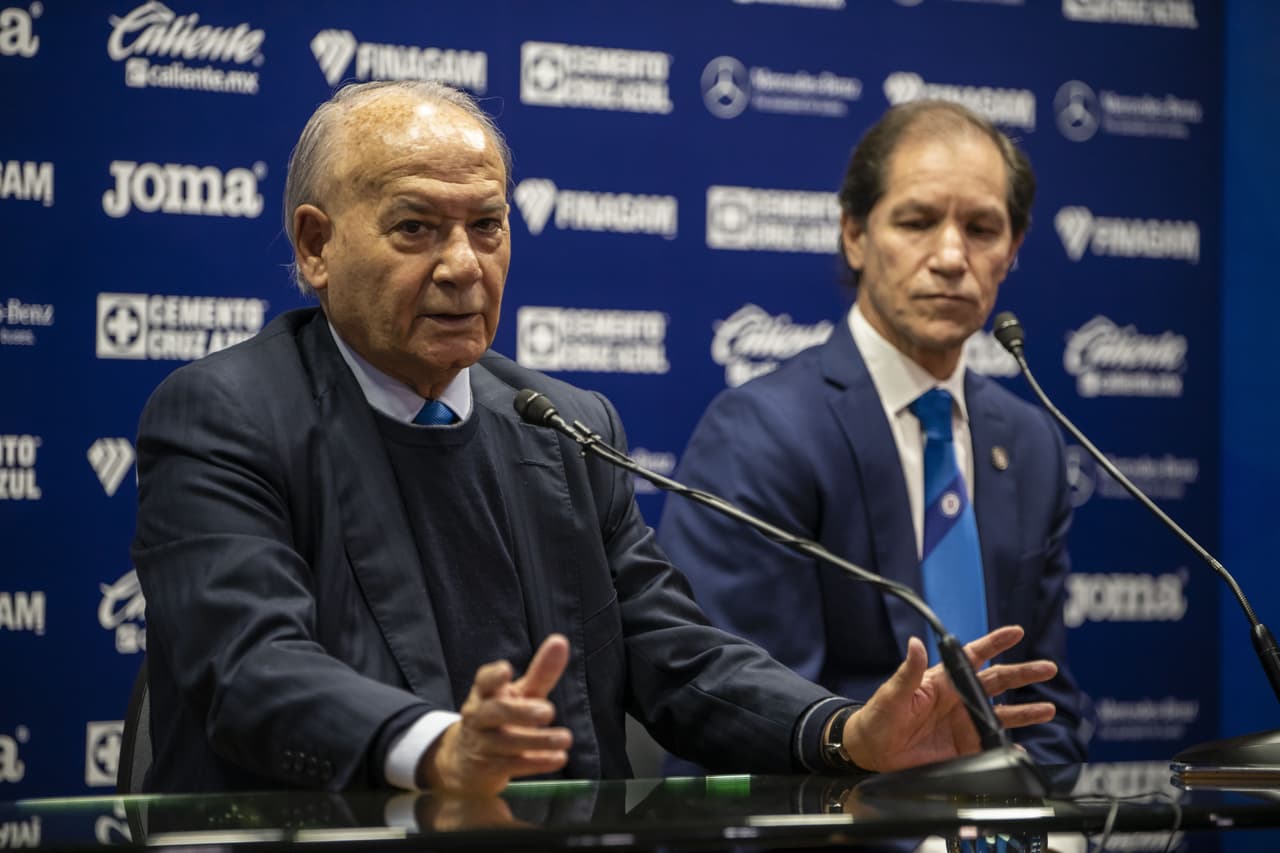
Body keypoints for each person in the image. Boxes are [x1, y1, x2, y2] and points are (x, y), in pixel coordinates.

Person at [131, 81, 1060, 795]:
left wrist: (840, 732)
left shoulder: (563, 425)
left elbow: (678, 656)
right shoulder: (227, 414)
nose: (462, 265)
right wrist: (437, 744)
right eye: (416, 227)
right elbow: (252, 666)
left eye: (487, 226)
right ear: (316, 244)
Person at [658, 101, 1091, 767]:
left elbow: (1044, 704)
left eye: (981, 229)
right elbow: (744, 714)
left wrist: (1047, 834)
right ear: (855, 235)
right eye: (917, 222)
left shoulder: (1030, 441)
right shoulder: (761, 433)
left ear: (1013, 251)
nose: (951, 256)